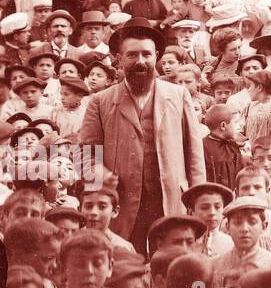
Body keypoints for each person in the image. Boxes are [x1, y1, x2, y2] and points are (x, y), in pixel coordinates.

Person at [78, 17, 207, 253]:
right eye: (132, 55)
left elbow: (194, 153)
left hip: (169, 200)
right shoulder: (100, 101)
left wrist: (197, 199)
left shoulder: (178, 95)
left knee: (172, 265)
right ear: (119, 58)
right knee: (127, 268)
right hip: (124, 204)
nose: (141, 61)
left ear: (156, 56)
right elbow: (86, 157)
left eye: (147, 54)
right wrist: (102, 175)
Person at [38, 229, 137, 288]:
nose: (89, 271)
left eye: (97, 263)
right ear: (64, 269)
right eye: (79, 264)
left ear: (110, 267)